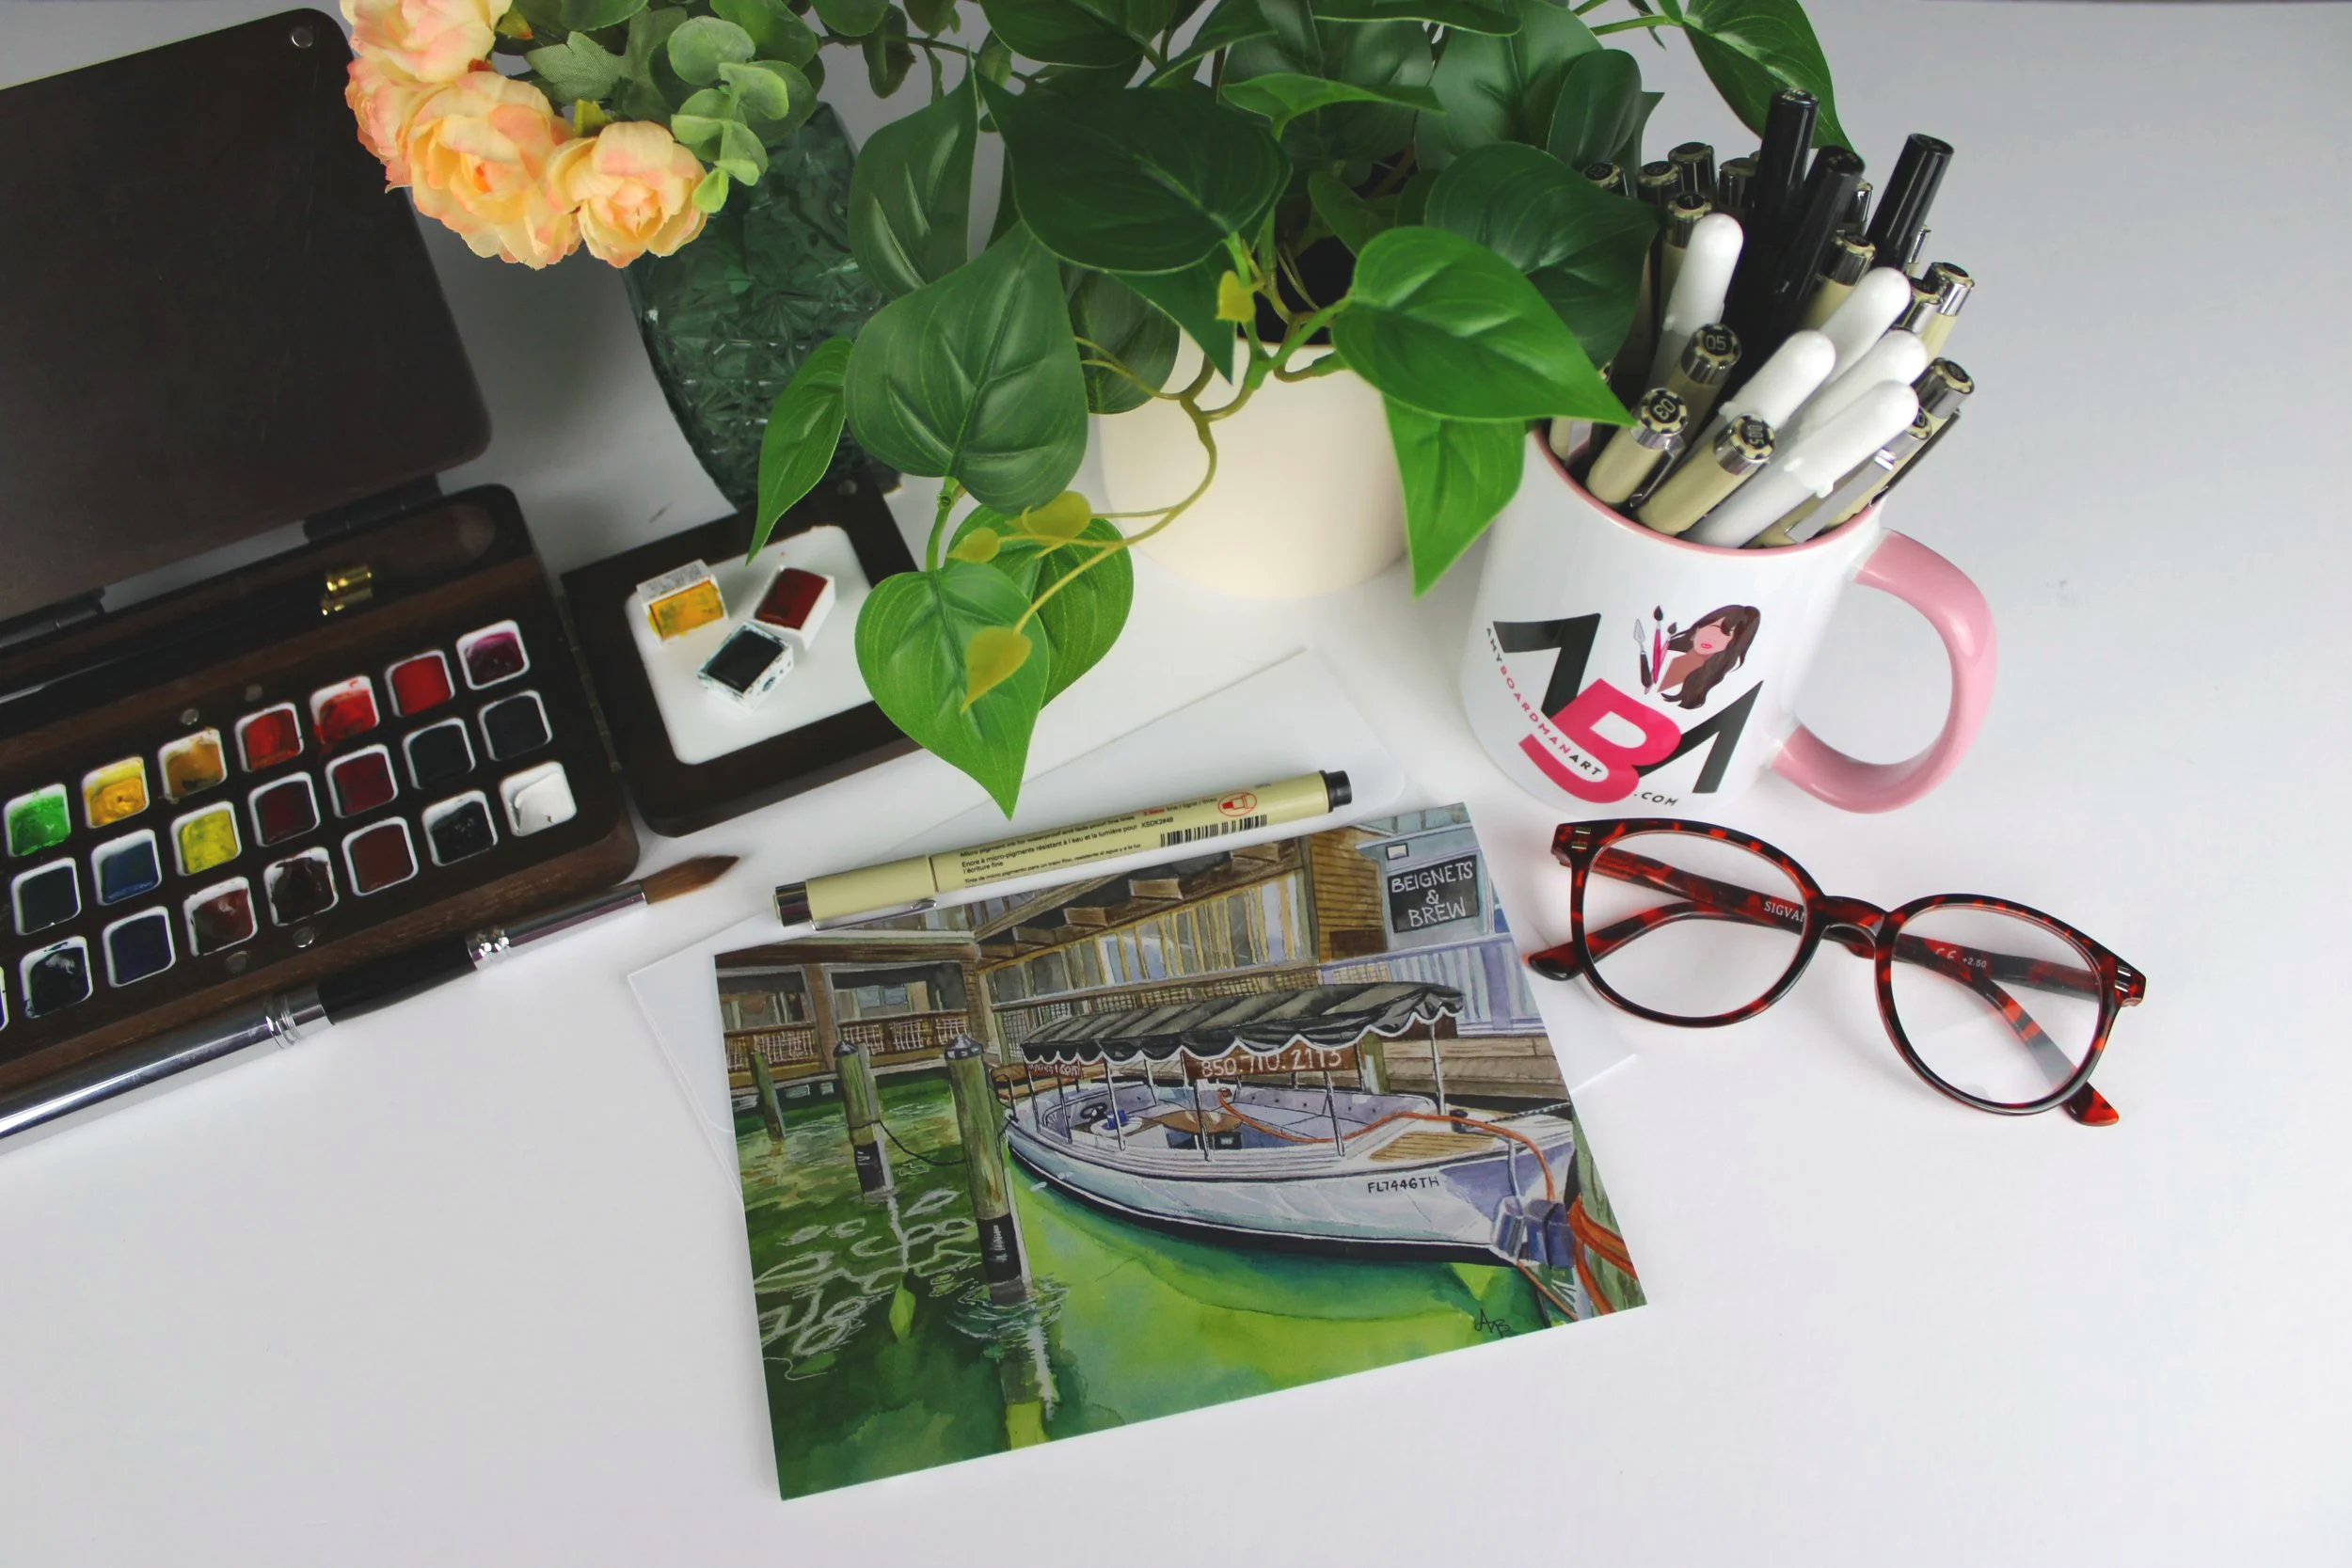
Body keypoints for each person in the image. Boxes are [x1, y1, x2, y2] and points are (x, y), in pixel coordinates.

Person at [1656, 605, 1760, 710]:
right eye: (1714, 628)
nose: (1713, 639)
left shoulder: (1713, 677)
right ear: (1699, 627)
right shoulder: (1664, 653)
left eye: (1727, 634)